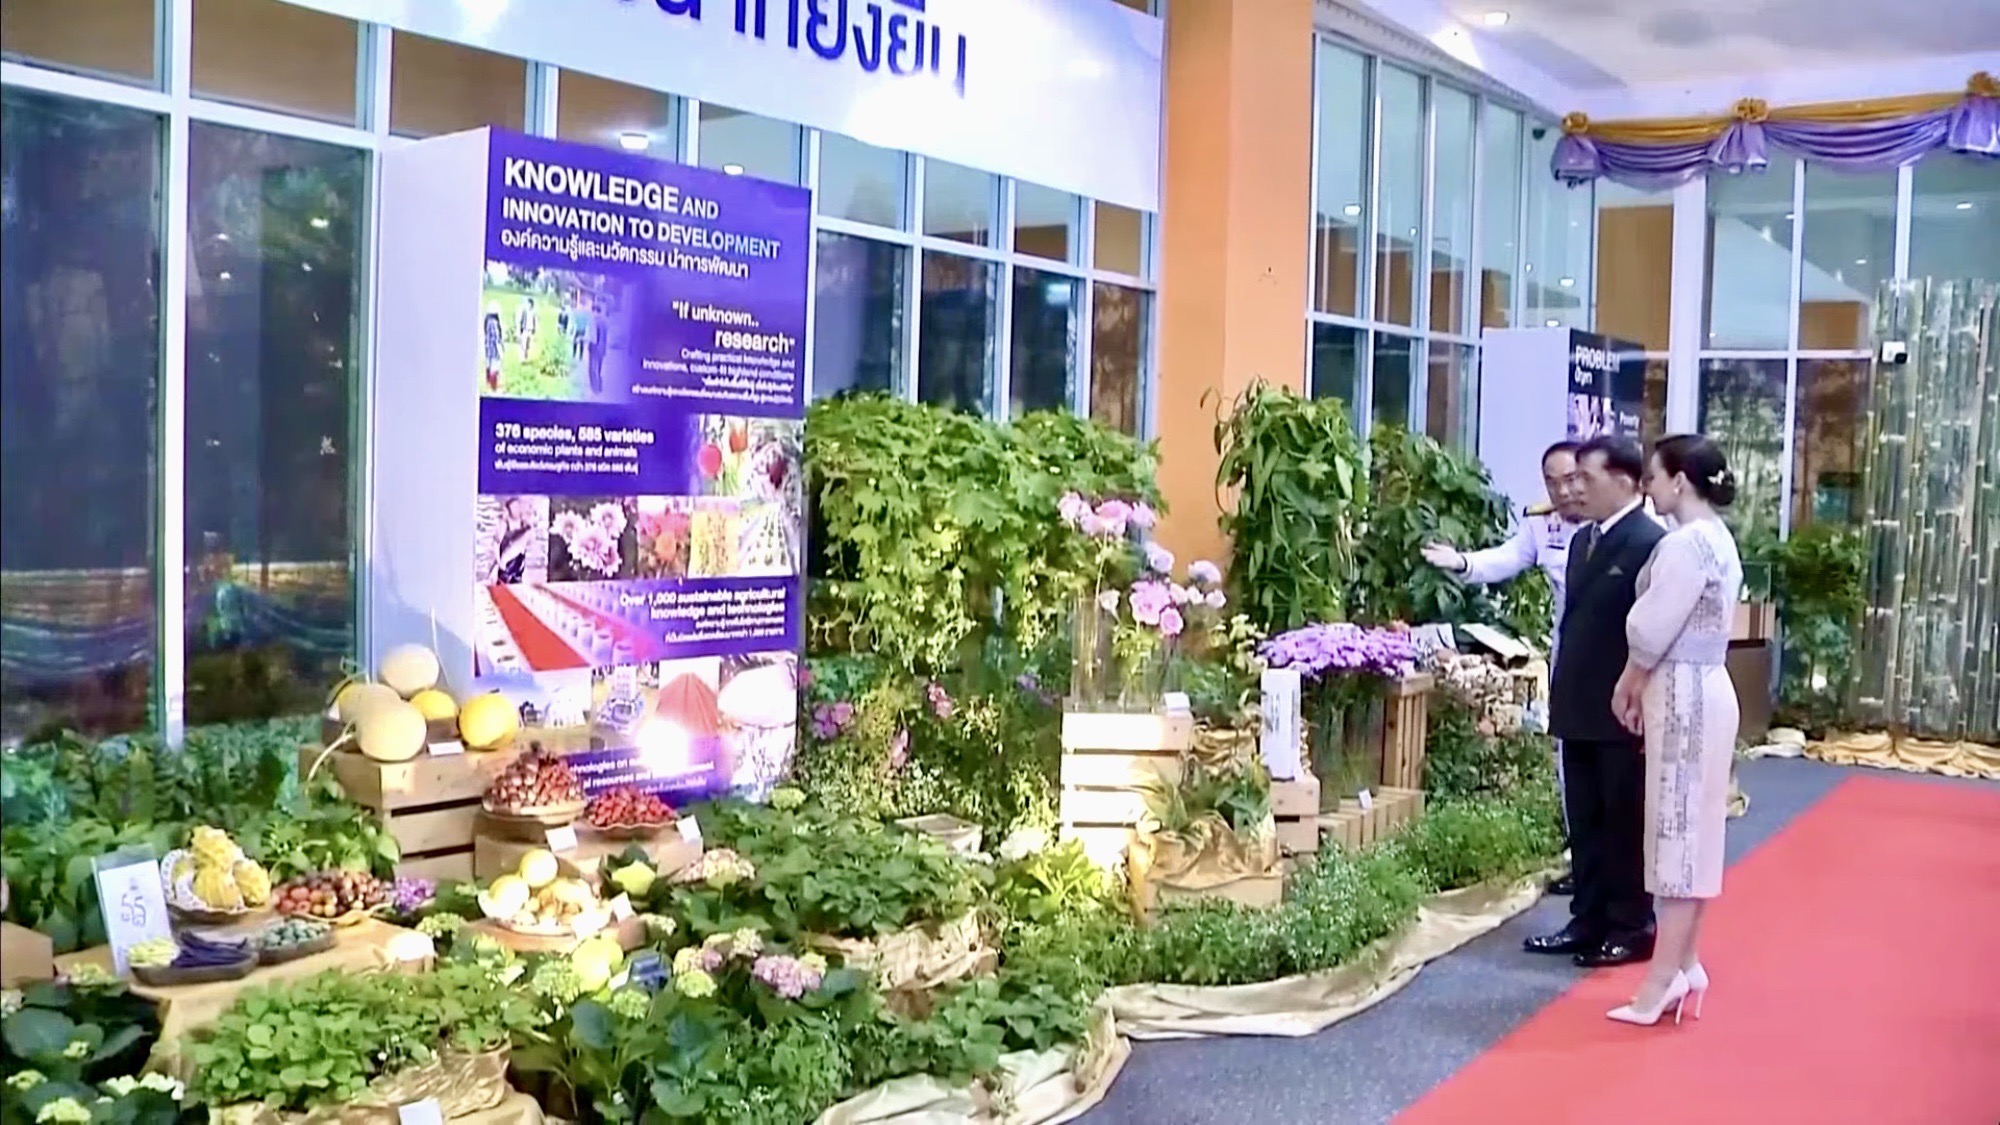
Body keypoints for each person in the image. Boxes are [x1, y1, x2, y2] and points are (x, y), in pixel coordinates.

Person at [1604, 435, 1742, 1025]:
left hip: (1685, 692)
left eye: (1654, 478)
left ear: (1679, 481)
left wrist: (1628, 682)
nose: (1649, 489)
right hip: (1705, 685)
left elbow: (1651, 630)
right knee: (1696, 835)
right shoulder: (1718, 538)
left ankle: (1661, 979)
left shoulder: (1685, 543)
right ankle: (1683, 964)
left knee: (1678, 836)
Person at [1422, 440, 1587, 894]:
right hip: (1569, 652)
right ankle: (1581, 855)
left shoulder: (1616, 524)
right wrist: (1461, 562)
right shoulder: (1543, 525)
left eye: (1571, 480)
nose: (1563, 491)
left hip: (1617, 653)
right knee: (1568, 755)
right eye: (1552, 483)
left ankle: (1620, 861)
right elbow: (1507, 558)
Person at [1526, 435, 1662, 969]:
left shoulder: (1650, 542)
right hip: (1577, 701)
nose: (1574, 489)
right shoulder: (1583, 540)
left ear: (1625, 481)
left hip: (1624, 707)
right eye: (1570, 478)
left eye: (1587, 478)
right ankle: (1586, 918)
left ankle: (1631, 924)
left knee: (1622, 820)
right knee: (1583, 819)